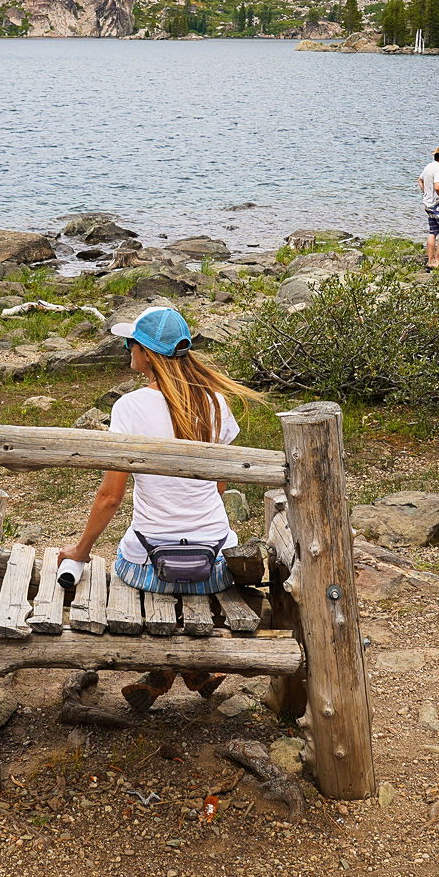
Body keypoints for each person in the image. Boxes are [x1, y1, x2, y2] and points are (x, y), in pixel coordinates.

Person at [62, 305, 264, 712]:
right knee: (195, 575)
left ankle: (166, 673)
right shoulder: (216, 404)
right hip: (214, 569)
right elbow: (220, 484)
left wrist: (79, 552)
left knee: (131, 564)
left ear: (147, 353)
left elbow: (110, 497)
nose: (126, 349)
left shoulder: (129, 408)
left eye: (130, 343)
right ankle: (190, 673)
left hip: (150, 570)